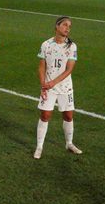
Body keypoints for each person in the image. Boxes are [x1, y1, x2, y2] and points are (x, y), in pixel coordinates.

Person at [34, 16, 82, 159]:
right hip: (48, 87)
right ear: (57, 26)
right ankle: (39, 147)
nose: (68, 28)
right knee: (45, 115)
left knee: (68, 116)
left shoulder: (72, 46)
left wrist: (52, 83)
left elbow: (69, 70)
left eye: (69, 26)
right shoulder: (46, 45)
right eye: (65, 25)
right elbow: (42, 66)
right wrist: (44, 85)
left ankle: (69, 143)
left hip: (65, 87)